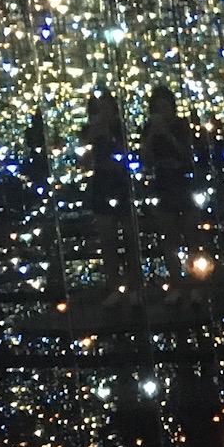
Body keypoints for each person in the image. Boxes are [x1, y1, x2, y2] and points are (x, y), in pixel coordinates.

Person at [139, 83, 198, 287]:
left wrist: (168, 136)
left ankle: (194, 283)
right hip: (163, 183)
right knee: (169, 237)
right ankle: (176, 283)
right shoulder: (149, 129)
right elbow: (145, 159)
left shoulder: (181, 126)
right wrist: (152, 136)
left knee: (190, 234)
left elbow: (188, 154)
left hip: (182, 182)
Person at [84, 91, 138, 299]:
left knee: (130, 238)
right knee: (108, 240)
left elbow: (125, 154)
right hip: (102, 184)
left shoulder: (119, 129)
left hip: (119, 183)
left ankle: (134, 287)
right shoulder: (91, 131)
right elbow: (86, 161)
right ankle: (114, 287)